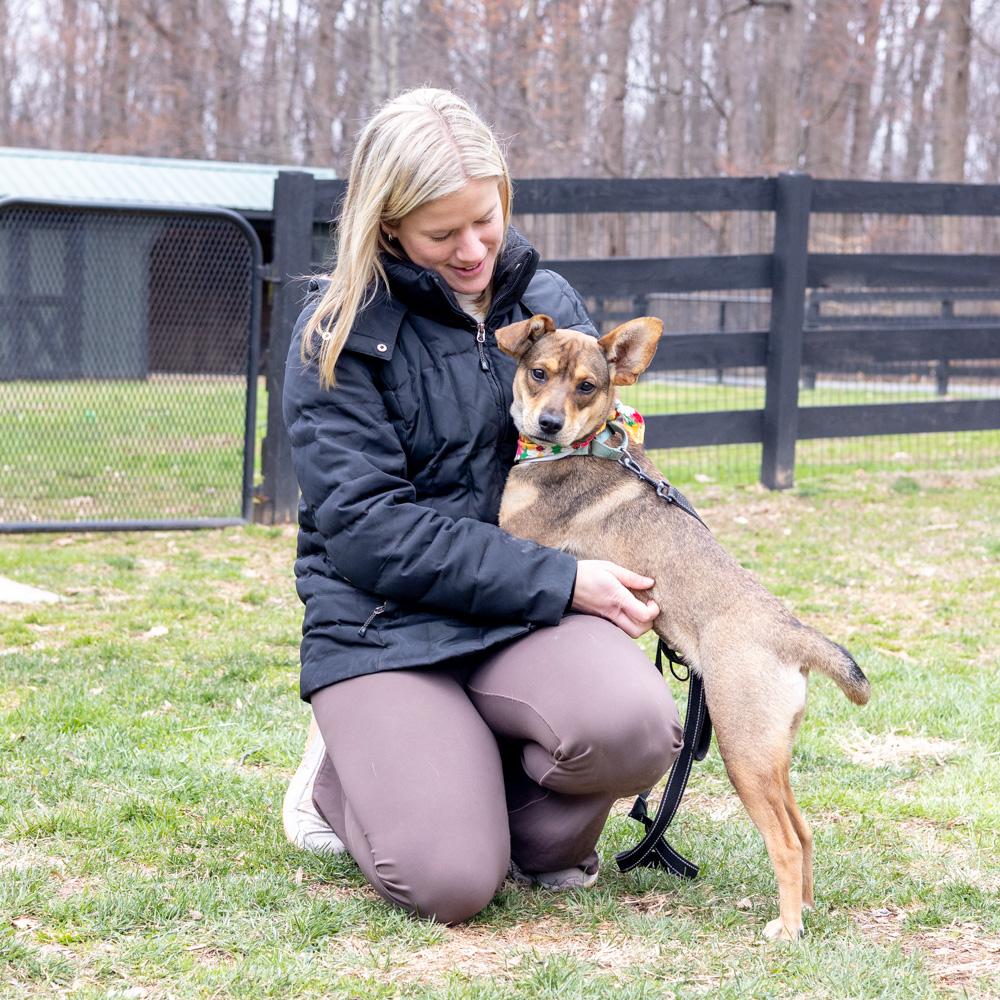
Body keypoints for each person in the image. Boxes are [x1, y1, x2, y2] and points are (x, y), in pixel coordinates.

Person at [280, 87, 682, 925]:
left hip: (519, 616)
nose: (473, 249)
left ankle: (514, 822)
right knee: (454, 882)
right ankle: (339, 784)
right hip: (385, 621)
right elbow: (369, 533)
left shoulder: (552, 306)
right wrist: (565, 584)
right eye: (441, 232)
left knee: (637, 727)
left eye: (486, 220)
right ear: (387, 225)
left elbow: (601, 456)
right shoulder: (339, 331)